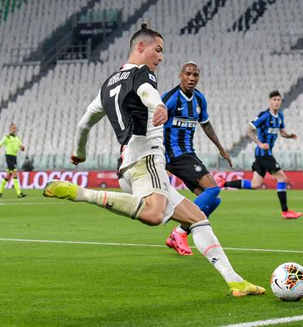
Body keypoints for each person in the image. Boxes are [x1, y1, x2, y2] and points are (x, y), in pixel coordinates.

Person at [42, 23, 264, 297]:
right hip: (147, 159)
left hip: (127, 166)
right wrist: (158, 105)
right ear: (140, 47)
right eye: (158, 50)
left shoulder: (107, 85)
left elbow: (83, 124)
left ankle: (235, 280)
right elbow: (147, 92)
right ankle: (82, 194)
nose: (161, 57)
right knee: (154, 214)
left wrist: (80, 153)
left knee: (198, 219)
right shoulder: (143, 74)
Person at [161, 62, 232, 256]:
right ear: (180, 75)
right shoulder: (169, 99)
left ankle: (178, 233)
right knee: (214, 188)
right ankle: (179, 232)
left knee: (212, 200)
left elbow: (206, 125)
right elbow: (151, 123)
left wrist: (220, 148)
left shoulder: (199, 100)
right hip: (174, 155)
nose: (192, 78)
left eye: (196, 75)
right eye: (188, 74)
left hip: (188, 154)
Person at [217, 91, 302, 219]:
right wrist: (260, 143)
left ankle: (224, 183)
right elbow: (249, 130)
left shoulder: (280, 117)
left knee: (255, 184)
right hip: (263, 155)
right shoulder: (264, 115)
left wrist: (290, 136)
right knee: (282, 178)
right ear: (270, 101)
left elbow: (282, 132)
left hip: (265, 155)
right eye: (274, 99)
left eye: (279, 100)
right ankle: (285, 211)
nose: (277, 102)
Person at [0, 123, 27, 198]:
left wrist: (22, 148)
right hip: (9, 157)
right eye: (12, 128)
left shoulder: (17, 138)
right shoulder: (7, 137)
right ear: (10, 129)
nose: (14, 129)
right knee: (15, 173)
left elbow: (22, 148)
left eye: (15, 128)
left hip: (14, 157)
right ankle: (19, 193)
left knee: (8, 175)